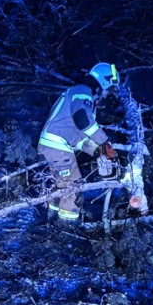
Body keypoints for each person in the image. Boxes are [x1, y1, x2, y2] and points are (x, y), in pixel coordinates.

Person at [37, 62, 120, 224]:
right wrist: (104, 142)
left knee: (62, 187)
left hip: (54, 145)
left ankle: (51, 224)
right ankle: (66, 231)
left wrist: (96, 150)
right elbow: (83, 121)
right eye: (108, 89)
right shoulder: (83, 91)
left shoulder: (77, 93)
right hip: (57, 147)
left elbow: (76, 135)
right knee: (74, 189)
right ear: (104, 81)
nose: (106, 94)